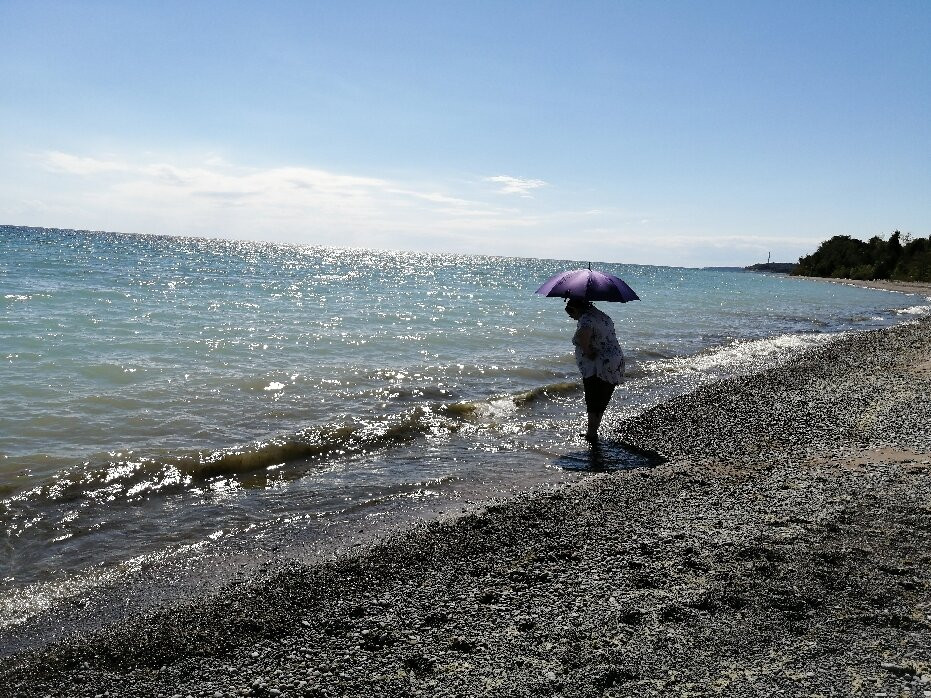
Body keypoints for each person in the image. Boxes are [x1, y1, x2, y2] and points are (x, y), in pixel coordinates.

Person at [564, 297, 625, 441]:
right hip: (615, 360)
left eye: (571, 315)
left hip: (598, 365)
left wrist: (587, 352)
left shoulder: (586, 318)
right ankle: (593, 431)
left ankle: (591, 434)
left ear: (575, 309)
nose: (573, 318)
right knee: (602, 399)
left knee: (592, 399)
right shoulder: (601, 315)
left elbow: (582, 336)